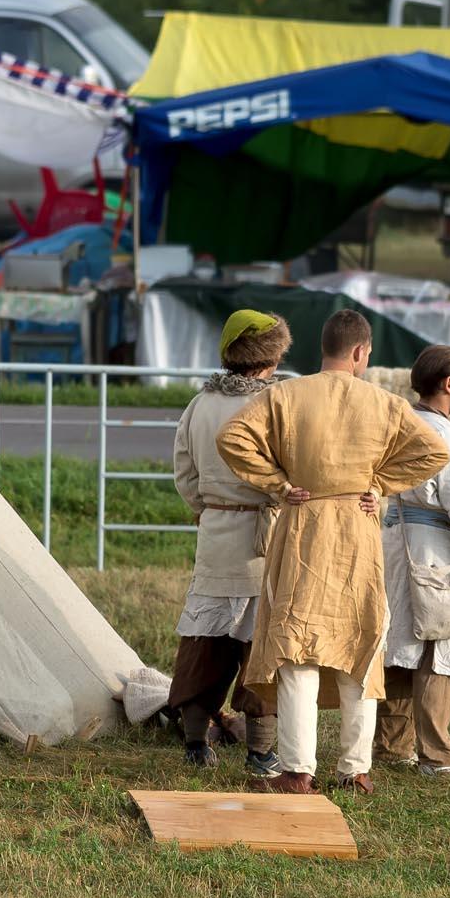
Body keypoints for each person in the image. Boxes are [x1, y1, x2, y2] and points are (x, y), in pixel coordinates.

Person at [216, 309, 448, 797]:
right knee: (358, 651)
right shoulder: (383, 402)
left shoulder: (285, 394)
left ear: (323, 348)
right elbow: (434, 452)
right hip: (358, 532)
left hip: (303, 526)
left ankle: (298, 770)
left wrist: (278, 484)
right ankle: (355, 769)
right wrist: (380, 483)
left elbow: (231, 438)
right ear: (361, 352)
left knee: (297, 649)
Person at [166, 309, 291, 777]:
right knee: (263, 645)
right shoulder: (278, 402)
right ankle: (261, 753)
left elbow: (184, 471)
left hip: (216, 532)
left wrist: (208, 508)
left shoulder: (200, 403)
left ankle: (196, 741)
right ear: (272, 354)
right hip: (266, 536)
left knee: (204, 641)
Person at [378, 345, 450, 784]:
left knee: (399, 644)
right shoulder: (448, 436)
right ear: (449, 384)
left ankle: (391, 745)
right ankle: (439, 758)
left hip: (395, 540)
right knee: (442, 647)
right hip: (435, 549)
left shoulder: (398, 423)